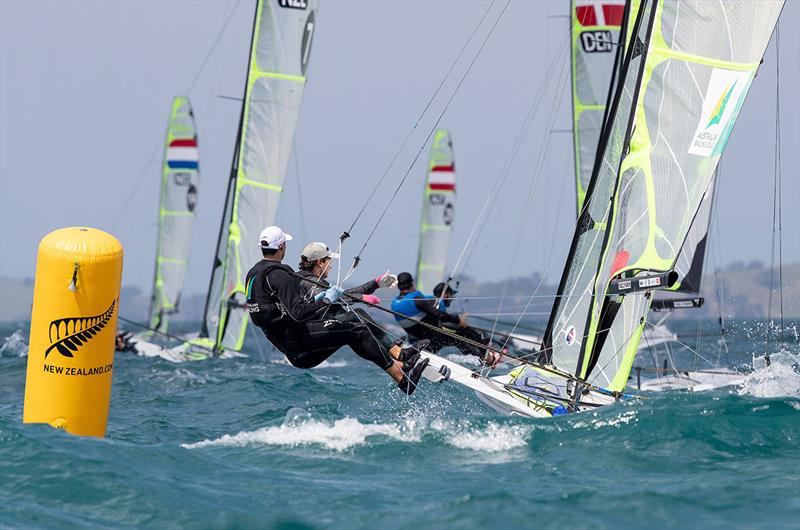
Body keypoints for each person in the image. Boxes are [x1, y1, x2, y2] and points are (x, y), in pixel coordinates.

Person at [245, 226, 429, 394]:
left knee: (355, 323)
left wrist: (321, 299)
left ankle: (400, 359)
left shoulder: (254, 273)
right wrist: (325, 300)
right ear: (282, 246)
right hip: (299, 345)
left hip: (291, 343)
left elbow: (288, 307)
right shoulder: (280, 275)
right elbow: (298, 313)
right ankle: (402, 378)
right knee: (355, 328)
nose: (331, 264)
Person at [295, 241, 411, 353]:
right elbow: (335, 299)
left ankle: (391, 350)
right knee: (357, 317)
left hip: (314, 336)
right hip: (308, 345)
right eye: (329, 261)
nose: (331, 266)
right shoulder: (308, 281)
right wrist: (362, 298)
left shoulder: (313, 280)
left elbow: (342, 294)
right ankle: (395, 351)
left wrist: (376, 283)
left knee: (355, 326)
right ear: (320, 263)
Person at [391, 273, 500, 366]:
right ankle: (488, 358)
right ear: (411, 283)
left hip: (420, 343)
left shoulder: (394, 304)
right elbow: (439, 314)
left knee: (457, 336)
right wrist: (458, 320)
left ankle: (484, 353)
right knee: (463, 334)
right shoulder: (417, 299)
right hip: (433, 338)